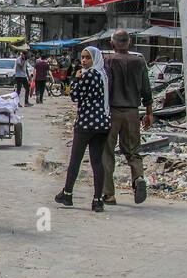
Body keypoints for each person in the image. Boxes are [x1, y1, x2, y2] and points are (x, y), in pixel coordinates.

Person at [55, 46, 112, 212]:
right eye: (83, 57)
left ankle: (67, 193)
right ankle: (98, 199)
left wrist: (76, 78)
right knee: (97, 161)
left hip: (86, 123)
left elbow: (75, 96)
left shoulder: (88, 74)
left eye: (87, 57)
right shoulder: (103, 75)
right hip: (102, 123)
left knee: (75, 159)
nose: (84, 61)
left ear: (94, 59)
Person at [101, 29, 154, 205]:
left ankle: (109, 194)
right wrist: (149, 112)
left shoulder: (107, 61)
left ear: (112, 44)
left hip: (111, 112)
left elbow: (103, 88)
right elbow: (147, 89)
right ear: (129, 43)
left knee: (107, 152)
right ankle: (138, 177)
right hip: (132, 111)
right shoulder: (139, 62)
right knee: (133, 151)